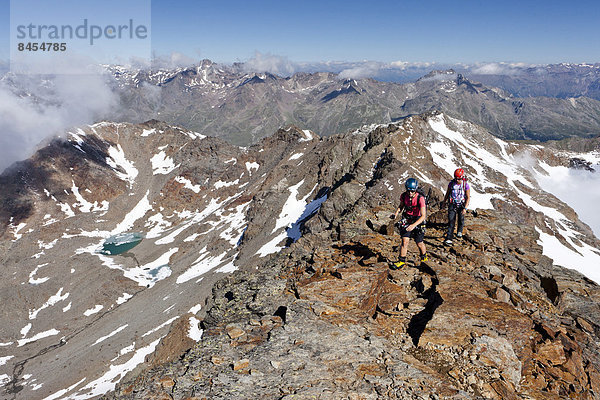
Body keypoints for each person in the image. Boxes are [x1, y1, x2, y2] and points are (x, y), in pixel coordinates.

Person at [390, 178, 428, 269]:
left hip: (418, 220)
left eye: (412, 191)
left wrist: (413, 225)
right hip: (407, 219)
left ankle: (424, 258)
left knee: (419, 242)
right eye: (408, 191)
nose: (410, 193)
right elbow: (401, 206)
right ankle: (401, 261)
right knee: (405, 241)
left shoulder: (420, 198)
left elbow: (423, 216)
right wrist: (396, 214)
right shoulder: (404, 196)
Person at [443, 168, 471, 245]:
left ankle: (459, 231)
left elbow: (468, 197)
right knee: (451, 221)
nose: (457, 180)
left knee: (461, 218)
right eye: (456, 178)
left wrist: (465, 208)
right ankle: (449, 238)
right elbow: (447, 193)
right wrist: (444, 202)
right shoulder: (451, 184)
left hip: (461, 204)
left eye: (459, 178)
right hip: (452, 204)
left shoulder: (465, 185)